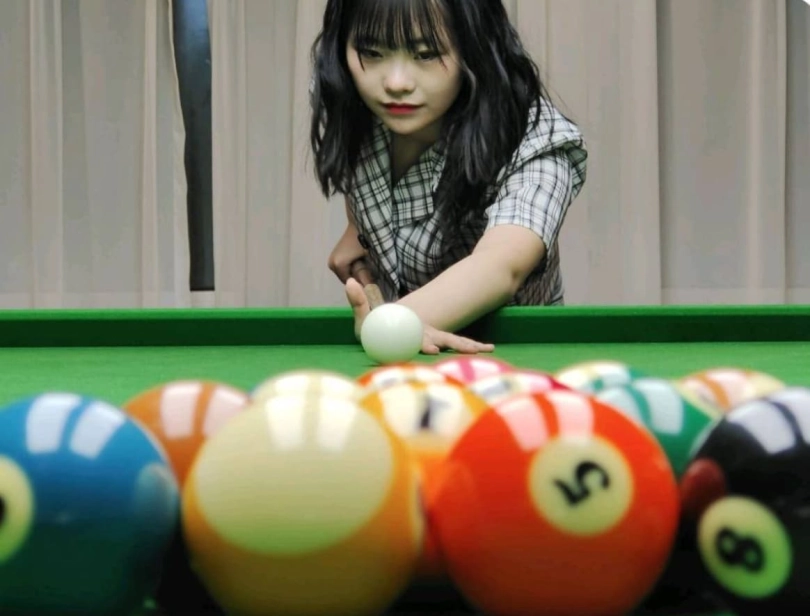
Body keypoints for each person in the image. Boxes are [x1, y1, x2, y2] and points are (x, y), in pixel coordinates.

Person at [309, 0, 588, 355]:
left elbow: (501, 265)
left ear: (474, 48)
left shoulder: (535, 137)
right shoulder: (349, 99)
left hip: (513, 361)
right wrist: (359, 229)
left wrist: (390, 325)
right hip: (407, 355)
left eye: (426, 54)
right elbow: (362, 171)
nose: (395, 83)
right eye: (372, 52)